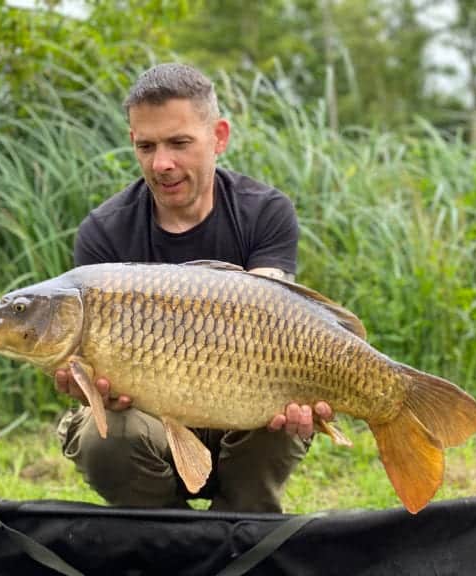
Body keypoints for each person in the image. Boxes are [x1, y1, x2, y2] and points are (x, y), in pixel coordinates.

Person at [54, 62, 332, 513]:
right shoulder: (103, 231)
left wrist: (312, 385)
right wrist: (88, 384)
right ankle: (164, 537)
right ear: (133, 143)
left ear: (218, 137)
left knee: (281, 416)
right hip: (151, 422)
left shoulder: (265, 212)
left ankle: (242, 529)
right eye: (147, 146)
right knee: (106, 433)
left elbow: (270, 315)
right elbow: (92, 373)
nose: (162, 163)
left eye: (179, 143)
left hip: (242, 405)